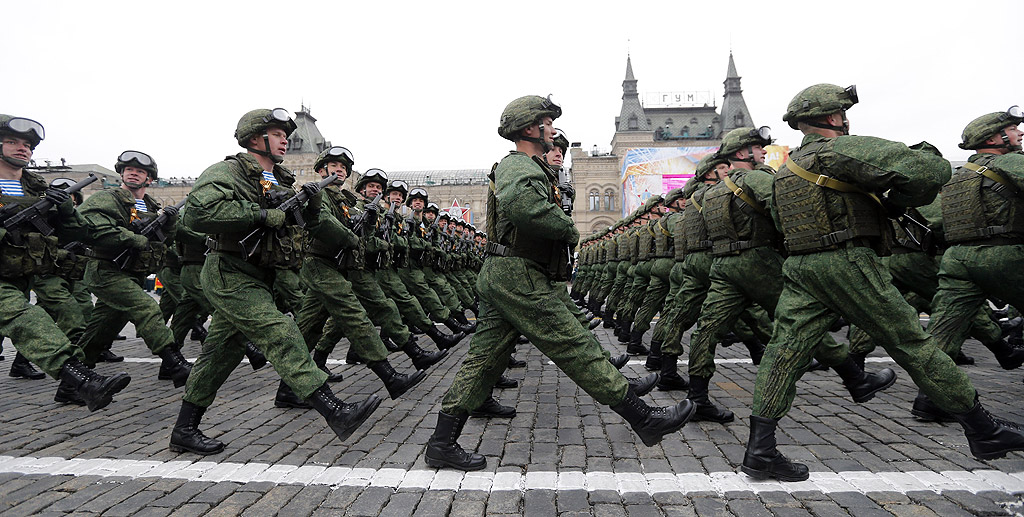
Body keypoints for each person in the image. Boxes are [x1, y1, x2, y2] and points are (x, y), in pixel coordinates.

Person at [745, 84, 1024, 482]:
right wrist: (896, 200)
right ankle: (983, 429)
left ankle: (761, 450)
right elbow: (930, 170)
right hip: (848, 261)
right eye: (842, 113)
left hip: (803, 267)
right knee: (911, 342)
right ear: (833, 118)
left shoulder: (785, 171)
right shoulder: (839, 149)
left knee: (784, 352)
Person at [423, 95, 693, 471]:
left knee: (485, 360)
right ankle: (643, 418)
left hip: (509, 272)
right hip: (518, 275)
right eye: (548, 123)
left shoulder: (527, 166)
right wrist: (568, 228)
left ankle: (441, 442)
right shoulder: (519, 166)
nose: (552, 130)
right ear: (531, 128)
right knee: (575, 344)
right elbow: (526, 209)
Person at [170, 108, 380, 455]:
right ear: (255, 138)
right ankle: (334, 409)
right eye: (278, 134)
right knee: (281, 331)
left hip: (261, 275)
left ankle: (184, 429)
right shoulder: (229, 172)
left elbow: (317, 227)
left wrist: (315, 211)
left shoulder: (282, 180)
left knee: (219, 355)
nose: (285, 140)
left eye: (287, 135)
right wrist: (263, 213)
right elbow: (196, 214)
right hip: (229, 272)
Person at [0, 114, 131, 409]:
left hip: (22, 274)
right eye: (12, 142)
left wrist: (66, 212)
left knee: (33, 319)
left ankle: (76, 383)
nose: (23, 149)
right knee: (26, 318)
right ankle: (84, 381)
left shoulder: (35, 188)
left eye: (28, 145)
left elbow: (78, 233)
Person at [293, 146, 429, 401]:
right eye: (334, 166)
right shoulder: (318, 193)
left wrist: (365, 224)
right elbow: (324, 224)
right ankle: (390, 376)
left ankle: (289, 388)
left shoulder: (344, 201)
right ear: (322, 170)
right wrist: (353, 237)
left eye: (344, 168)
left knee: (308, 328)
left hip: (337, 266)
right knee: (356, 316)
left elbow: (362, 233)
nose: (340, 170)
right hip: (320, 263)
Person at [77, 151, 192, 386]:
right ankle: (174, 362)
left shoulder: (150, 205)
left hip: (132, 273)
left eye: (140, 172)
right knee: (147, 307)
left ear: (149, 179)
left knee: (101, 332)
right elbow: (90, 226)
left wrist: (169, 224)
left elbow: (164, 241)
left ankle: (71, 383)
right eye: (129, 170)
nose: (133, 174)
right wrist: (134, 239)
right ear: (121, 173)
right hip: (106, 270)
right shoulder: (108, 198)